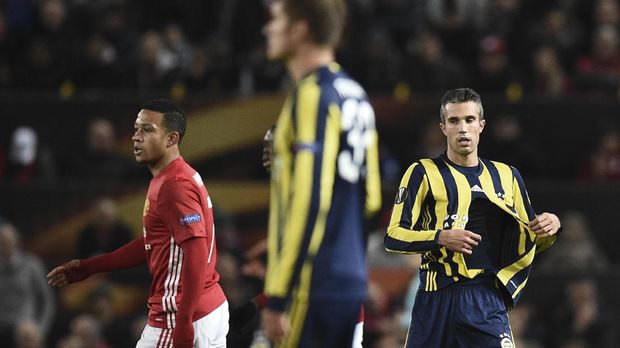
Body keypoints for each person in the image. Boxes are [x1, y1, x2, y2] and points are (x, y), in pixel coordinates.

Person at [384, 88, 562, 348]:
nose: (463, 129)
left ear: (481, 125)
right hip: (435, 297)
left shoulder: (507, 176)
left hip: (485, 298)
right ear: (443, 127)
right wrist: (441, 237)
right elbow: (393, 237)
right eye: (454, 121)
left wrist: (552, 227)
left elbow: (532, 238)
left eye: (469, 120)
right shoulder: (422, 173)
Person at [47, 99, 228, 348]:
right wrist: (90, 267)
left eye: (147, 130)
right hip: (205, 309)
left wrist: (184, 321)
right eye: (135, 129)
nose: (136, 137)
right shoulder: (171, 177)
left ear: (172, 139)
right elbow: (154, 243)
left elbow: (196, 249)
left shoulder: (174, 186)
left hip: (179, 316)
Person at [261, 0, 382, 347]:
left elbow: (311, 199)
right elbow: (370, 198)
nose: (267, 28)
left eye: (277, 20)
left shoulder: (312, 94)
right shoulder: (355, 93)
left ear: (300, 31)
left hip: (309, 283)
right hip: (349, 278)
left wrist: (280, 295)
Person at [0, 222, 55, 347]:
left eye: (8, 241)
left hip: (27, 327)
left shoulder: (32, 265)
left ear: (16, 241)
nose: (5, 245)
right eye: (1, 242)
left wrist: (41, 329)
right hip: (2, 327)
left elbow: (47, 301)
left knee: (27, 333)